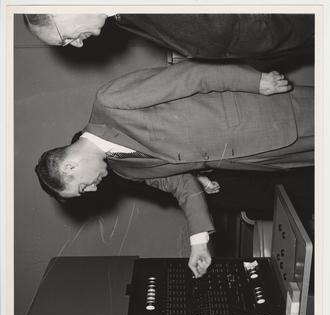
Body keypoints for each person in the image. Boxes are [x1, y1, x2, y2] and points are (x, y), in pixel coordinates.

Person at [35, 61, 314, 278]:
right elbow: (183, 185)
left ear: (70, 165)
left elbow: (192, 76)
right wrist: (198, 242)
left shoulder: (110, 103)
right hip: (259, 158)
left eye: (83, 187)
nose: (93, 189)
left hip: (266, 113)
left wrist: (256, 81)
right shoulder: (125, 170)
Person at [24, 13, 314, 60]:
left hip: (279, 23)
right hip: (268, 41)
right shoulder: (120, 19)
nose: (77, 43)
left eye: (65, 38)